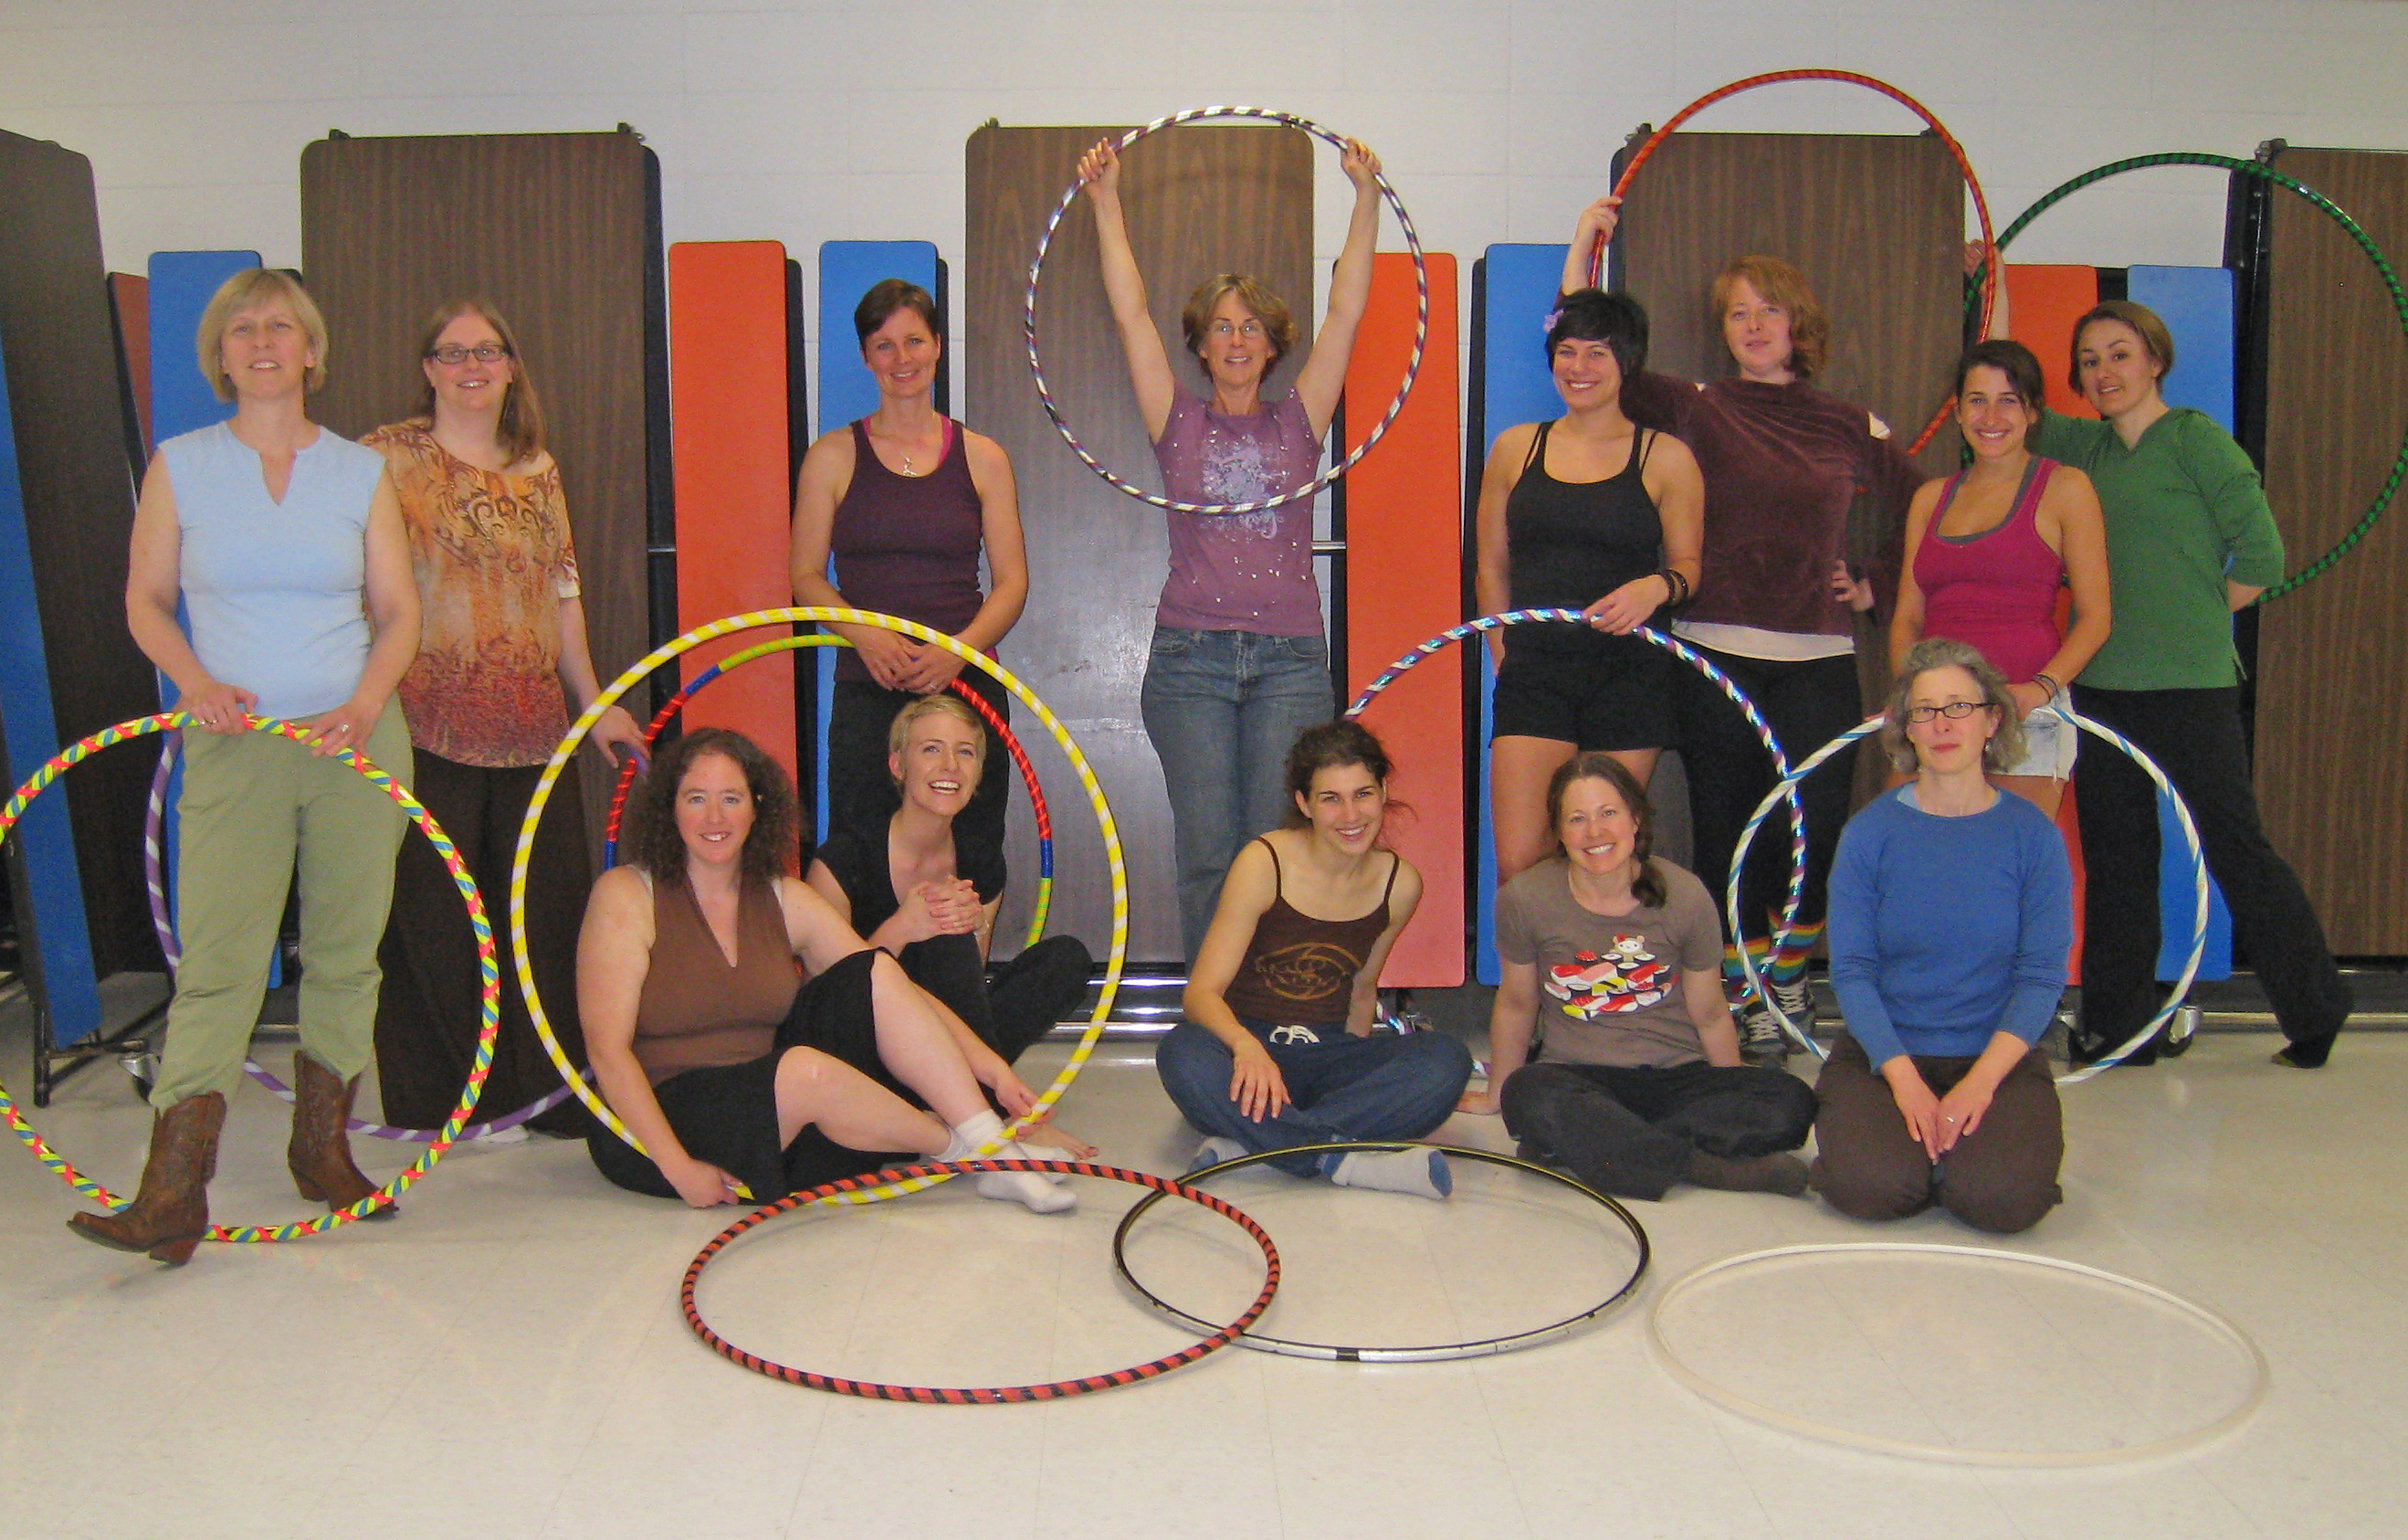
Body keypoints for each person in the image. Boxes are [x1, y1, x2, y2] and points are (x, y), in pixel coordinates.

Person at [74, 269, 421, 1264]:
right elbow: (144, 601)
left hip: (354, 741)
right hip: (233, 745)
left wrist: (362, 706)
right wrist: (192, 682)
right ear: (219, 354)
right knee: (221, 966)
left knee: (348, 953)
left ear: (312, 350)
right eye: (242, 329)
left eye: (281, 326)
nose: (263, 341)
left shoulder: (359, 473)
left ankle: (323, 1152)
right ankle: (172, 1188)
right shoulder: (180, 465)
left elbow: (398, 613)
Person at [1562, 199, 1929, 1062]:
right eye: (1737, 313)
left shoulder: (1846, 423)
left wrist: (1871, 579)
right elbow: (1592, 337)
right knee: (1730, 831)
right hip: (1715, 654)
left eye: (1769, 311)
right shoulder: (1696, 407)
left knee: (1817, 826)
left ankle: (1788, 970)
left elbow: (1928, 504)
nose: (1754, 326)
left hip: (1817, 658)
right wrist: (1585, 244)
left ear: (1798, 326)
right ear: (1722, 331)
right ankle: (1745, 991)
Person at [1078, 135, 1385, 961]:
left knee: (1279, 851)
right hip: (1191, 661)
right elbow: (1129, 313)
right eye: (1220, 328)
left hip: (1288, 659)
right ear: (1202, 347)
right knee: (1211, 856)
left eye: (1251, 327)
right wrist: (1106, 200)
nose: (1237, 340)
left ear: (1274, 343)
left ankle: (1276, 1002)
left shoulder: (1300, 420)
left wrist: (1364, 196)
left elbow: (1349, 310)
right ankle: (1212, 1016)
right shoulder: (1176, 420)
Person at [2026, 300, 2352, 1068]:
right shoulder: (2084, 451)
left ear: (2155, 361)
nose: (2103, 371)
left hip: (2191, 688)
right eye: (2089, 359)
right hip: (2102, 687)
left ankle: (2314, 1009)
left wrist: (2196, 617)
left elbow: (2261, 559)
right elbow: (2016, 396)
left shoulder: (2195, 441)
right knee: (2117, 860)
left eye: (2119, 354)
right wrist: (1993, 277)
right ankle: (2119, 1027)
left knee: (2234, 847)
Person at [577, 728, 1073, 1213]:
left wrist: (993, 1070)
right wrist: (677, 1168)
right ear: (668, 808)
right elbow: (607, 1051)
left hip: (777, 1105)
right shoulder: (627, 894)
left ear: (758, 808)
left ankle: (988, 1147)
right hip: (654, 1124)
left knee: (874, 971)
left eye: (731, 798)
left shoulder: (783, 896)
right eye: (695, 798)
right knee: (803, 1072)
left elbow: (893, 993)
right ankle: (988, 1155)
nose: (714, 817)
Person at [363, 299, 646, 1135]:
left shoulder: (538, 468)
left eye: (487, 350)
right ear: (428, 368)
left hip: (531, 730)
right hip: (424, 726)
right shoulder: (384, 459)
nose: (471, 366)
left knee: (541, 916)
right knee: (434, 923)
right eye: (451, 353)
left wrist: (595, 708)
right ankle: (446, 1104)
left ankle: (545, 1096)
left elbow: (564, 600)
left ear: (511, 365)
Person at [1464, 753, 1816, 1200]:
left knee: (1792, 1102)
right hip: (1577, 1075)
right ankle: (1702, 1165)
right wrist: (1498, 1093)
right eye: (1577, 819)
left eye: (1608, 813)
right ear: (1558, 832)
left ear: (1635, 819)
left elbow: (1708, 1011)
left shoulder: (1684, 894)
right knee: (1527, 1095)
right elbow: (1517, 1002)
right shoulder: (1525, 898)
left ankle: (1594, 1147)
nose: (1595, 832)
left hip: (1675, 1077)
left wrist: (1733, 1084)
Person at [1813, 638, 2071, 1233]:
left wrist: (1980, 1084)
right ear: (1905, 729)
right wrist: (1903, 1082)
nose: (1941, 724)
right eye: (1923, 711)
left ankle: (1956, 1155)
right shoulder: (1868, 836)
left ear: (1991, 719)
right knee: (1871, 1190)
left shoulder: (2032, 837)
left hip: (1995, 1056)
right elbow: (1851, 972)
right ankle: (1916, 1151)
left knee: (2000, 1202)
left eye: (1958, 706)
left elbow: (2039, 978)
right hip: (1885, 1056)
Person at [1155, 723, 1473, 1197]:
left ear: (1384, 791)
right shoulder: (1264, 861)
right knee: (1182, 1054)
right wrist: (1245, 1047)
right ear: (1304, 804)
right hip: (1248, 1047)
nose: (1351, 814)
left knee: (1447, 1060)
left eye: (1363, 794)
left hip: (1326, 1054)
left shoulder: (1400, 883)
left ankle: (1256, 1143)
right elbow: (1201, 995)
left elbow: (1363, 990)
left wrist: (1357, 1068)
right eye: (1331, 799)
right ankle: (1342, 1158)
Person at [790, 279, 1028, 860]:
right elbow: (805, 576)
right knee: (861, 850)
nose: (903, 359)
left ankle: (962, 956)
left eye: (915, 342)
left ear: (938, 347)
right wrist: (865, 635)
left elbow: (1012, 584)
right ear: (866, 356)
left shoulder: (984, 457)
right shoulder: (831, 456)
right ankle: (868, 957)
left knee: (971, 851)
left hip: (965, 681)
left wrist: (960, 650)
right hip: (868, 684)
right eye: (885, 345)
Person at [1473, 288, 1705, 883]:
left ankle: (1598, 979)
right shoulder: (1514, 448)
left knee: (1605, 860)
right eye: (1567, 352)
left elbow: (1688, 569)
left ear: (1626, 362)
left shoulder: (1666, 458)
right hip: (1535, 673)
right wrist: (1505, 655)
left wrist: (1654, 587)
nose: (1579, 368)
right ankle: (1527, 981)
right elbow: (1491, 568)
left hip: (1628, 675)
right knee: (1523, 864)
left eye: (1597, 352)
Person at [806, 693, 1096, 1156]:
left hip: (948, 1038)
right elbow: (828, 990)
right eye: (931, 749)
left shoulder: (979, 859)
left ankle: (955, 1109)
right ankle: (992, 1119)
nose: (950, 766)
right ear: (898, 766)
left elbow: (966, 990)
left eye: (966, 753)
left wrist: (965, 927)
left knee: (1065, 959)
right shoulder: (843, 859)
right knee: (944, 928)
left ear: (979, 772)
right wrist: (904, 927)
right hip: (862, 1045)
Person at [1888, 339, 2110, 817]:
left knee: (2007, 876)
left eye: (2008, 400)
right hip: (1934, 716)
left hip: (2023, 712)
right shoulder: (1930, 498)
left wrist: (2041, 689)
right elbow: (1908, 616)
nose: (1991, 417)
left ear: (2033, 412)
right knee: (1908, 867)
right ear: (1958, 412)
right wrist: (1915, 696)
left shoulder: (2066, 488)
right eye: (1977, 400)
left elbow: (2096, 618)